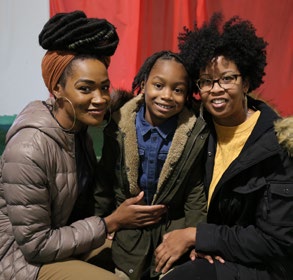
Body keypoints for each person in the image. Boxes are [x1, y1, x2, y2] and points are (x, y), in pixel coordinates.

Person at [0, 11, 166, 280]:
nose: (100, 98)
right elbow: (36, 245)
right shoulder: (28, 149)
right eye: (86, 89)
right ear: (57, 89)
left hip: (65, 241)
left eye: (104, 87)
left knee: (141, 258)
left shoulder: (77, 131)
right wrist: (111, 222)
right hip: (20, 259)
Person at [154, 13, 293, 280]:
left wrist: (198, 236)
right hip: (213, 251)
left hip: (266, 267)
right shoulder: (198, 130)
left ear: (247, 83)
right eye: (206, 81)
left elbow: (275, 242)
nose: (216, 89)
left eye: (227, 79)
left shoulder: (279, 145)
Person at [95, 50, 209, 280]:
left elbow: (194, 191)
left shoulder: (193, 135)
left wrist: (197, 235)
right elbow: (105, 181)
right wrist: (102, 223)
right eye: (158, 85)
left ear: (187, 95)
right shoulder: (118, 127)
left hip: (171, 233)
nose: (166, 96)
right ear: (144, 83)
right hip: (127, 234)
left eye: (177, 90)